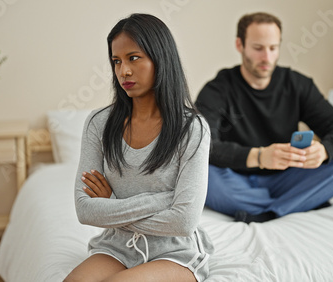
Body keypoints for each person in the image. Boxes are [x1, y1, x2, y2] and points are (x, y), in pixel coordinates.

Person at [65, 13, 213, 282]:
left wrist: (112, 205)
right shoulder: (99, 124)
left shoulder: (192, 128)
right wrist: (165, 199)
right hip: (117, 246)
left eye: (134, 58)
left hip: (175, 250)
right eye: (116, 61)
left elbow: (184, 221)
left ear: (160, 58)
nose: (124, 71)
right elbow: (85, 210)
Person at [195, 12, 333, 224]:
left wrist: (323, 151)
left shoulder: (297, 84)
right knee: (200, 171)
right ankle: (301, 202)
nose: (266, 57)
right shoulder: (217, 89)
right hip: (236, 179)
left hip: (287, 177)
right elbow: (203, 145)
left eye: (273, 48)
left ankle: (269, 212)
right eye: (258, 48)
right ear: (240, 45)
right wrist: (259, 156)